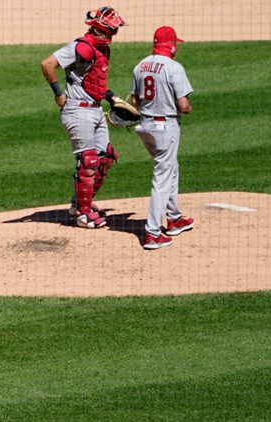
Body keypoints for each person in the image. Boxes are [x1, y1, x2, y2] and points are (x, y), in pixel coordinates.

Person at [40, 6, 128, 229]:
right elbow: (47, 64)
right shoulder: (82, 47)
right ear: (100, 28)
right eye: (112, 29)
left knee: (105, 157)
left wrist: (111, 98)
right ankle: (83, 213)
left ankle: (79, 203)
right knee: (88, 160)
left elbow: (93, 82)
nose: (114, 34)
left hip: (96, 109)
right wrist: (58, 94)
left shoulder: (102, 50)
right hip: (78, 111)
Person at [130, 26, 195, 250]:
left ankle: (175, 218)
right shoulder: (174, 67)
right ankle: (152, 233)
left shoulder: (140, 66)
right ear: (171, 46)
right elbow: (183, 106)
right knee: (162, 177)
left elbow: (135, 103)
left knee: (170, 168)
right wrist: (186, 108)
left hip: (145, 127)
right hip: (165, 127)